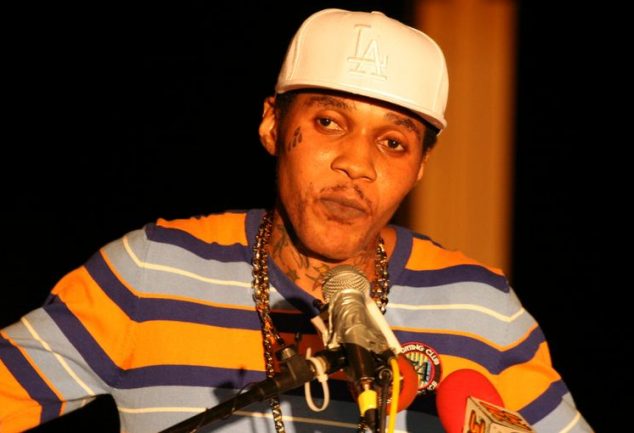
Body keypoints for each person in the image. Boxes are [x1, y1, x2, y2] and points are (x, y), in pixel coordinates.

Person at [0, 8, 593, 433]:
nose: (356, 164)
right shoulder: (150, 272)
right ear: (272, 125)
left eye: (392, 142)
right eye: (330, 122)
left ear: (419, 168)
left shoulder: (480, 308)